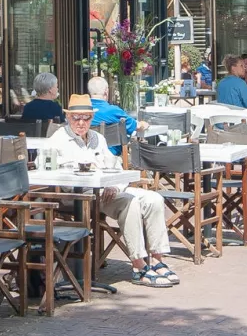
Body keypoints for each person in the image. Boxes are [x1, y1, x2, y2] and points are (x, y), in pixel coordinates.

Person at [50, 94, 176, 288]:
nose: (81, 122)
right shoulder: (58, 139)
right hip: (79, 196)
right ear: (67, 117)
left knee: (154, 198)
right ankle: (138, 266)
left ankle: (157, 260)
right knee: (130, 202)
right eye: (76, 118)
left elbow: (115, 167)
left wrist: (115, 185)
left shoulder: (97, 138)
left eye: (86, 117)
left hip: (107, 192)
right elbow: (56, 175)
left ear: (92, 118)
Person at [87, 75, 138, 154]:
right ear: (106, 92)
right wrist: (143, 124)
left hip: (85, 154)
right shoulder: (113, 111)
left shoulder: (81, 112)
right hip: (110, 155)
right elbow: (135, 126)